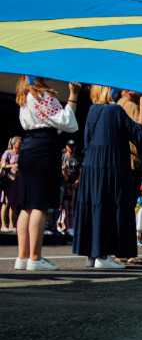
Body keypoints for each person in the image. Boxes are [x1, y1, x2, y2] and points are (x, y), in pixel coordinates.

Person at [72, 85, 142, 268]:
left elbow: (87, 138)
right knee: (109, 206)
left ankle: (91, 253)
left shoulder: (92, 109)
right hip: (111, 164)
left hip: (91, 164)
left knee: (93, 206)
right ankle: (103, 256)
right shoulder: (115, 110)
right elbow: (138, 134)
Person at [14, 76, 80, 271]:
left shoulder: (24, 97)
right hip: (44, 147)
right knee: (40, 205)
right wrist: (73, 95)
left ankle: (22, 256)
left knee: (26, 204)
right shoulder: (42, 95)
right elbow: (66, 122)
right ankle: (35, 257)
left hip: (28, 145)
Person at [58, 139, 81, 234]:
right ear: (66, 147)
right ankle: (64, 226)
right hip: (64, 184)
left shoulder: (78, 159)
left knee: (72, 207)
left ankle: (72, 227)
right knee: (64, 207)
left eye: (73, 146)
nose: (71, 148)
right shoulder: (63, 157)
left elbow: (80, 171)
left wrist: (77, 181)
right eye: (69, 146)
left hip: (73, 185)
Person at [1, 136, 22, 232]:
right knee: (7, 202)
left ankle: (12, 224)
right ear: (14, 144)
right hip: (10, 180)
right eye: (19, 142)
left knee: (15, 204)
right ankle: (3, 224)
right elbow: (2, 164)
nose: (20, 144)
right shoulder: (8, 153)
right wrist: (12, 165)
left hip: (18, 181)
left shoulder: (21, 154)